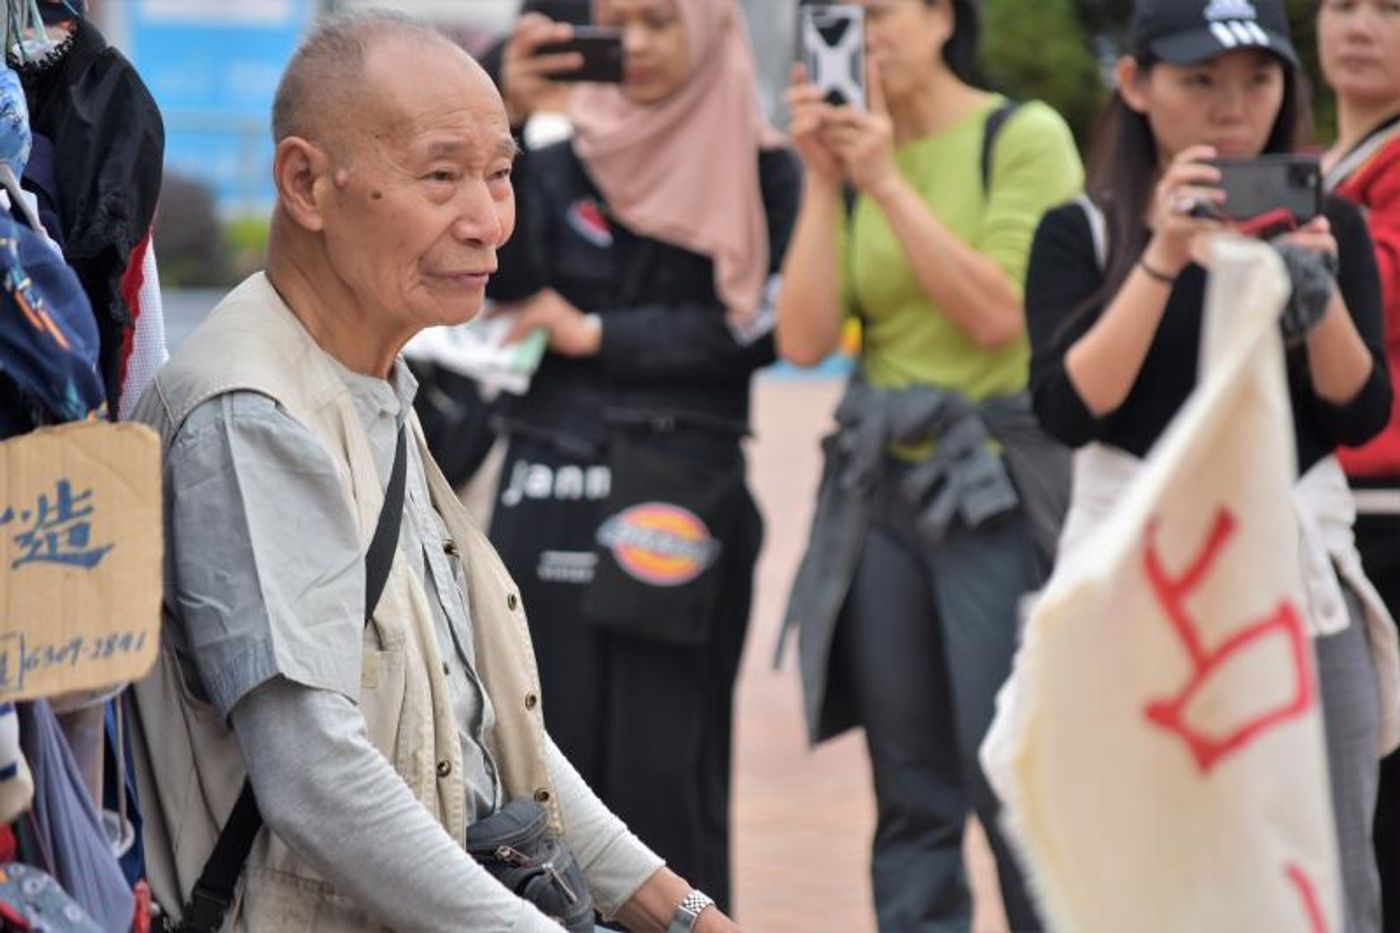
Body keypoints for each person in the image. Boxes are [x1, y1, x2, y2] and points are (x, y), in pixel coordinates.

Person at [126, 11, 739, 932]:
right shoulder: (253, 417)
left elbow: (480, 724)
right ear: (306, 184)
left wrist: (679, 909)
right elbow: (316, 779)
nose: (489, 222)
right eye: (442, 176)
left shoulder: (371, 381)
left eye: (501, 174)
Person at [1025, 1, 1398, 929]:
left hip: (1298, 588)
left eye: (1258, 81)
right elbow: (1071, 408)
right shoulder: (1084, 232)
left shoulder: (1332, 226)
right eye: (1200, 82)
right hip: (1142, 597)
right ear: (1134, 83)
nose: (1233, 109)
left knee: (1329, 870)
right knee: (1150, 868)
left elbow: (1359, 411)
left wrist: (1313, 291)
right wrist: (1162, 254)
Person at [775, 0, 1082, 929]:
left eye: (880, 13)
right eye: (840, 21)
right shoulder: (850, 162)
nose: (864, 37)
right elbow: (804, 340)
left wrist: (887, 184)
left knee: (1012, 772)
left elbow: (999, 316)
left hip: (993, 492)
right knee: (909, 786)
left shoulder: (1021, 137)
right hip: (883, 493)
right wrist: (824, 181)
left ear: (944, 16)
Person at [485, 0, 799, 911]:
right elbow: (501, 273)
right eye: (617, 21)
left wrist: (597, 333)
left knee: (670, 758)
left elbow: (760, 328)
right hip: (553, 470)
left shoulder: (765, 169)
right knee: (543, 747)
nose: (638, 46)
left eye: (663, 20)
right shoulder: (553, 161)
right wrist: (505, 120)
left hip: (681, 490)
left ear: (712, 29)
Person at [1317, 2, 1400, 925]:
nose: (1361, 27)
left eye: (1389, 8)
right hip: (1320, 518)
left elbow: (1373, 293)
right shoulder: (1319, 166)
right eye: (1342, 5)